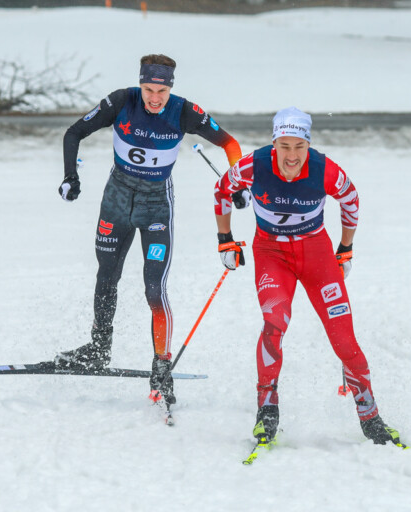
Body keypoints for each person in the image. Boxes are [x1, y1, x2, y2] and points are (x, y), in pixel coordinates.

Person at [54, 54, 247, 407]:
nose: (154, 98)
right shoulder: (121, 101)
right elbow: (74, 132)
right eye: (148, 89)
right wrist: (71, 175)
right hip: (116, 200)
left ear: (170, 87)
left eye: (161, 90)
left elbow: (230, 144)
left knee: (154, 288)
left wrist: (237, 182)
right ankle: (99, 348)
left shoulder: (184, 111)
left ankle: (161, 364)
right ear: (139, 84)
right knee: (106, 276)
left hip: (156, 206)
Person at [213, 107, 400, 446]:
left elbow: (351, 200)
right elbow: (222, 190)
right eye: (284, 146)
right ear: (274, 144)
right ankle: (267, 407)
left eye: (299, 146)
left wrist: (345, 248)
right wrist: (224, 239)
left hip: (316, 254)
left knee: (345, 340)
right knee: (275, 322)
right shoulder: (253, 165)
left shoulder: (324, 169)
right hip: (271, 254)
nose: (292, 156)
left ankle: (370, 416)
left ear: (308, 145)